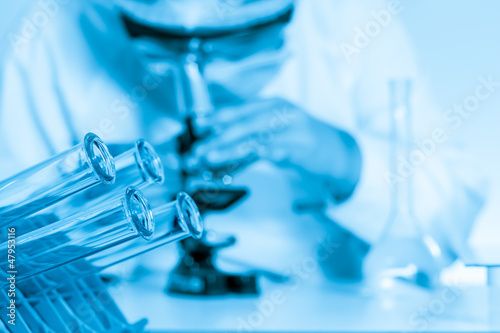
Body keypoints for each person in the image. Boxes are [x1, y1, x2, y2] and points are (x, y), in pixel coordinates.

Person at [0, 0, 485, 281]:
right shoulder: (52, 27)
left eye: (238, 45)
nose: (197, 85)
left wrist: (341, 157)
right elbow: (11, 254)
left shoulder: (351, 18)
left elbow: (455, 212)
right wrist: (96, 200)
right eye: (162, 46)